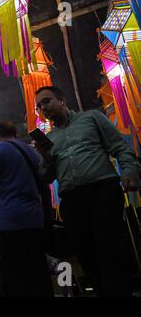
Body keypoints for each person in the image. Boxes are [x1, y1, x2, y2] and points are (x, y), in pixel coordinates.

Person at [35, 86, 140, 296]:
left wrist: (129, 170)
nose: (43, 108)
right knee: (87, 257)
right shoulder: (50, 139)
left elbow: (120, 146)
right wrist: (46, 157)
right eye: (39, 106)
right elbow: (46, 178)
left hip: (103, 192)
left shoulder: (91, 118)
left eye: (46, 101)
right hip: (72, 203)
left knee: (111, 253)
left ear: (62, 100)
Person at [0, 121, 53, 297]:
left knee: (13, 277)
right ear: (15, 133)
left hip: (10, 221)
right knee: (38, 274)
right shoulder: (32, 151)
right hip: (35, 219)